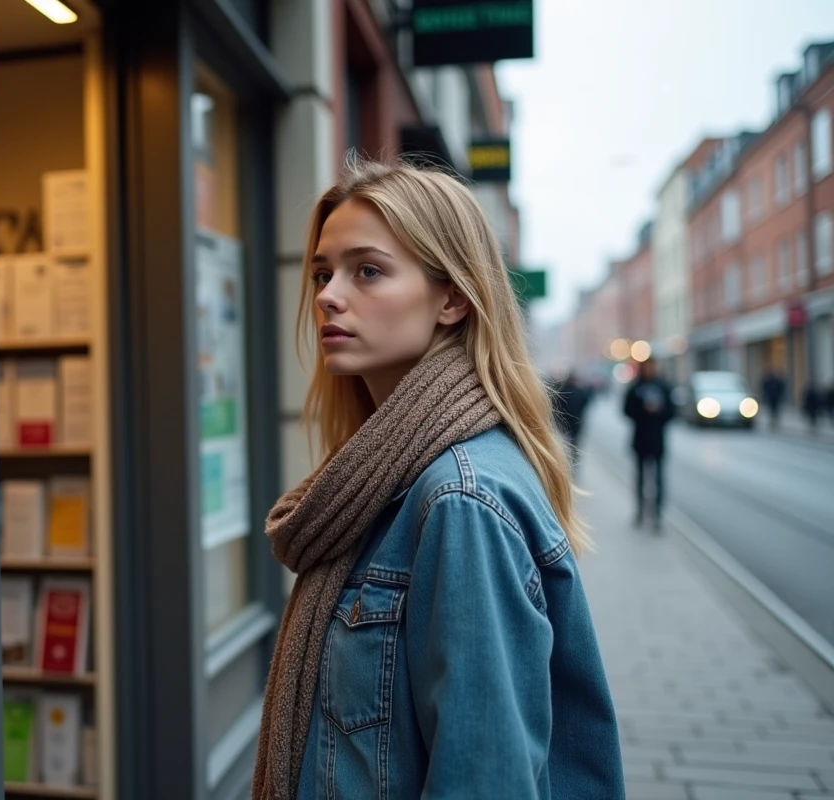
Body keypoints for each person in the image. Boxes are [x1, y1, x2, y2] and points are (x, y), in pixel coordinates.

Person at [252, 159, 623, 800]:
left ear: (452, 297)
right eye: (322, 272)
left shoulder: (459, 498)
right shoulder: (385, 479)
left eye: (367, 270)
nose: (328, 295)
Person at [622, 358, 675, 530]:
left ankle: (657, 514)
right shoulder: (635, 387)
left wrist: (658, 412)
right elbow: (626, 410)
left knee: (658, 479)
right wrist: (642, 411)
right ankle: (640, 511)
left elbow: (672, 412)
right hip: (640, 439)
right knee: (640, 478)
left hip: (658, 440)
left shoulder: (663, 387)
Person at [551, 369, 592, 467]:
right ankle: (572, 464)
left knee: (563, 444)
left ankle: (561, 462)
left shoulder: (562, 390)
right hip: (576, 423)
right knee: (573, 445)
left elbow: (556, 406)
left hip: (562, 422)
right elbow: (585, 404)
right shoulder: (581, 392)